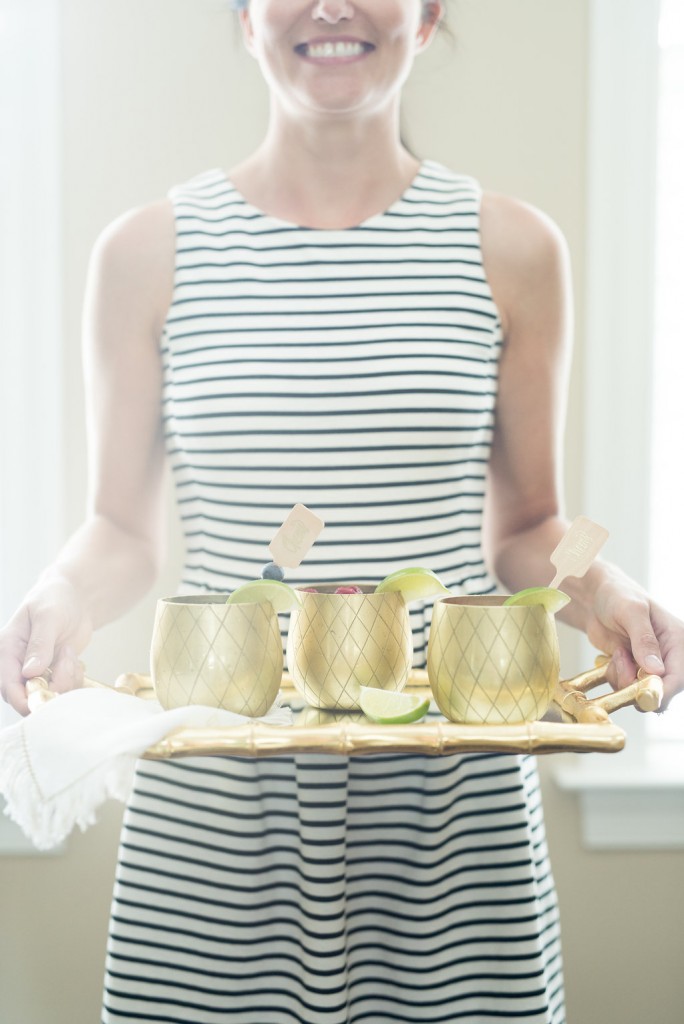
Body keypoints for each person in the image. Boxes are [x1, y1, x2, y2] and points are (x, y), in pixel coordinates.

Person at [1, 1, 683, 1021]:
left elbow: (530, 526)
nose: (329, 5)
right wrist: (58, 592)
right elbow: (124, 529)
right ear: (243, 18)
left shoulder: (513, 249)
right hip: (214, 830)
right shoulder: (146, 253)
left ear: (427, 15)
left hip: (454, 833)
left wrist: (609, 585)